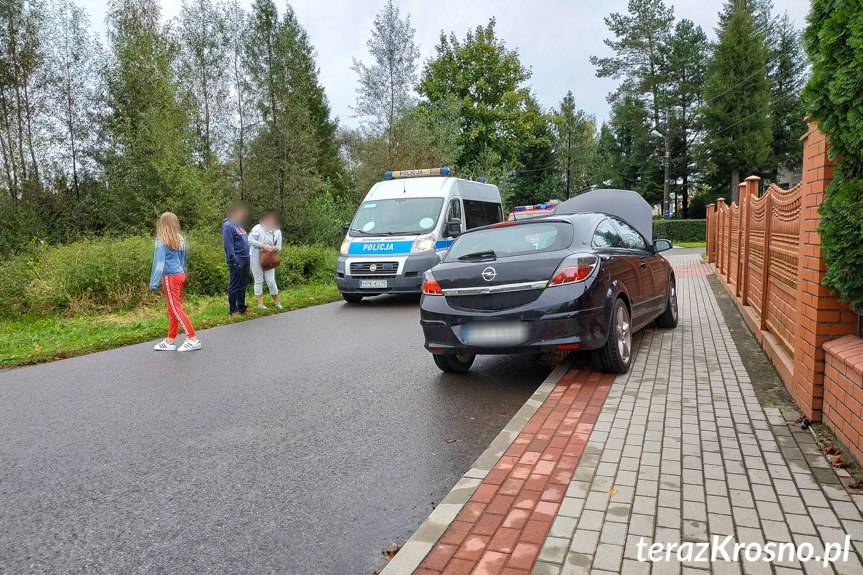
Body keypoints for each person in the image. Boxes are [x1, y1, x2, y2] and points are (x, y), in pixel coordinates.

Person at [149, 212, 201, 352]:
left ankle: (192, 338)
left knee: (176, 309)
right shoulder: (180, 238)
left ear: (162, 224)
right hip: (179, 274)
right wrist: (182, 273)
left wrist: (153, 282)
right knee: (173, 308)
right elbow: (183, 259)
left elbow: (159, 263)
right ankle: (170, 340)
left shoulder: (161, 239)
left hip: (169, 277)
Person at [248, 211, 284, 309]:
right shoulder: (257, 228)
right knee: (259, 279)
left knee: (271, 281)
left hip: (269, 258)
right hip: (255, 256)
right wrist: (262, 245)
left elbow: (279, 247)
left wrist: (274, 248)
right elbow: (249, 240)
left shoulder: (277, 231)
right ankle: (260, 304)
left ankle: (277, 302)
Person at [222, 203, 250, 316]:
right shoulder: (228, 225)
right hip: (236, 260)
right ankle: (233, 310)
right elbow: (228, 245)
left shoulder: (239, 225)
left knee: (243, 284)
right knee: (235, 285)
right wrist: (234, 259)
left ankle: (242, 308)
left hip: (246, 258)